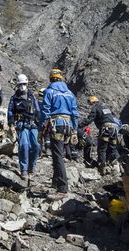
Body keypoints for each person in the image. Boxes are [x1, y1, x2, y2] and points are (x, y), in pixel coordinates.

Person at [40, 68, 79, 200]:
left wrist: (42, 127)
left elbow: (45, 110)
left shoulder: (49, 91)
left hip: (56, 124)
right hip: (68, 125)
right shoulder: (69, 93)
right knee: (59, 153)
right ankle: (56, 182)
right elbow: (75, 113)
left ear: (51, 78)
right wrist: (74, 129)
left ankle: (62, 188)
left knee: (57, 156)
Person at [7, 74, 41, 181]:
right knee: (24, 146)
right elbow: (10, 111)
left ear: (27, 84)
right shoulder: (14, 98)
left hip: (33, 125)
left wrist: (41, 124)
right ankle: (24, 170)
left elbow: (38, 110)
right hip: (21, 125)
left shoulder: (32, 97)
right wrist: (11, 124)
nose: (22, 86)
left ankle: (32, 167)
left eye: (24, 84)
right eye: (20, 84)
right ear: (17, 85)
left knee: (36, 146)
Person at [78, 96, 120, 174]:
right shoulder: (106, 108)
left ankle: (102, 168)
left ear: (92, 102)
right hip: (114, 129)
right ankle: (115, 168)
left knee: (102, 148)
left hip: (106, 129)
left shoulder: (95, 108)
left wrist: (79, 125)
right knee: (112, 148)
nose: (90, 105)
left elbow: (89, 119)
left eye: (90, 103)